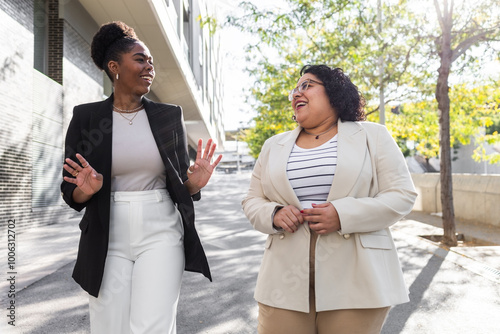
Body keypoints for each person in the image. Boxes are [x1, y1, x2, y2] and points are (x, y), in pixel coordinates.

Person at [60, 21, 222, 334]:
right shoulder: (86, 116)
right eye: (140, 59)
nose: (149, 66)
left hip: (160, 229)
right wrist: (87, 189)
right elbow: (71, 193)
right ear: (114, 67)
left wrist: (194, 184)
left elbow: (180, 185)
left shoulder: (168, 116)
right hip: (108, 232)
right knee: (110, 326)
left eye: (150, 61)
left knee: (153, 327)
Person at [242, 64, 417, 334]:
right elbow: (253, 200)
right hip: (283, 280)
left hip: (357, 279)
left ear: (335, 93)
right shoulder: (272, 146)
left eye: (307, 85)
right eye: (295, 89)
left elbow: (402, 195)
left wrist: (343, 214)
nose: (296, 94)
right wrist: (274, 214)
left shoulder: (373, 136)